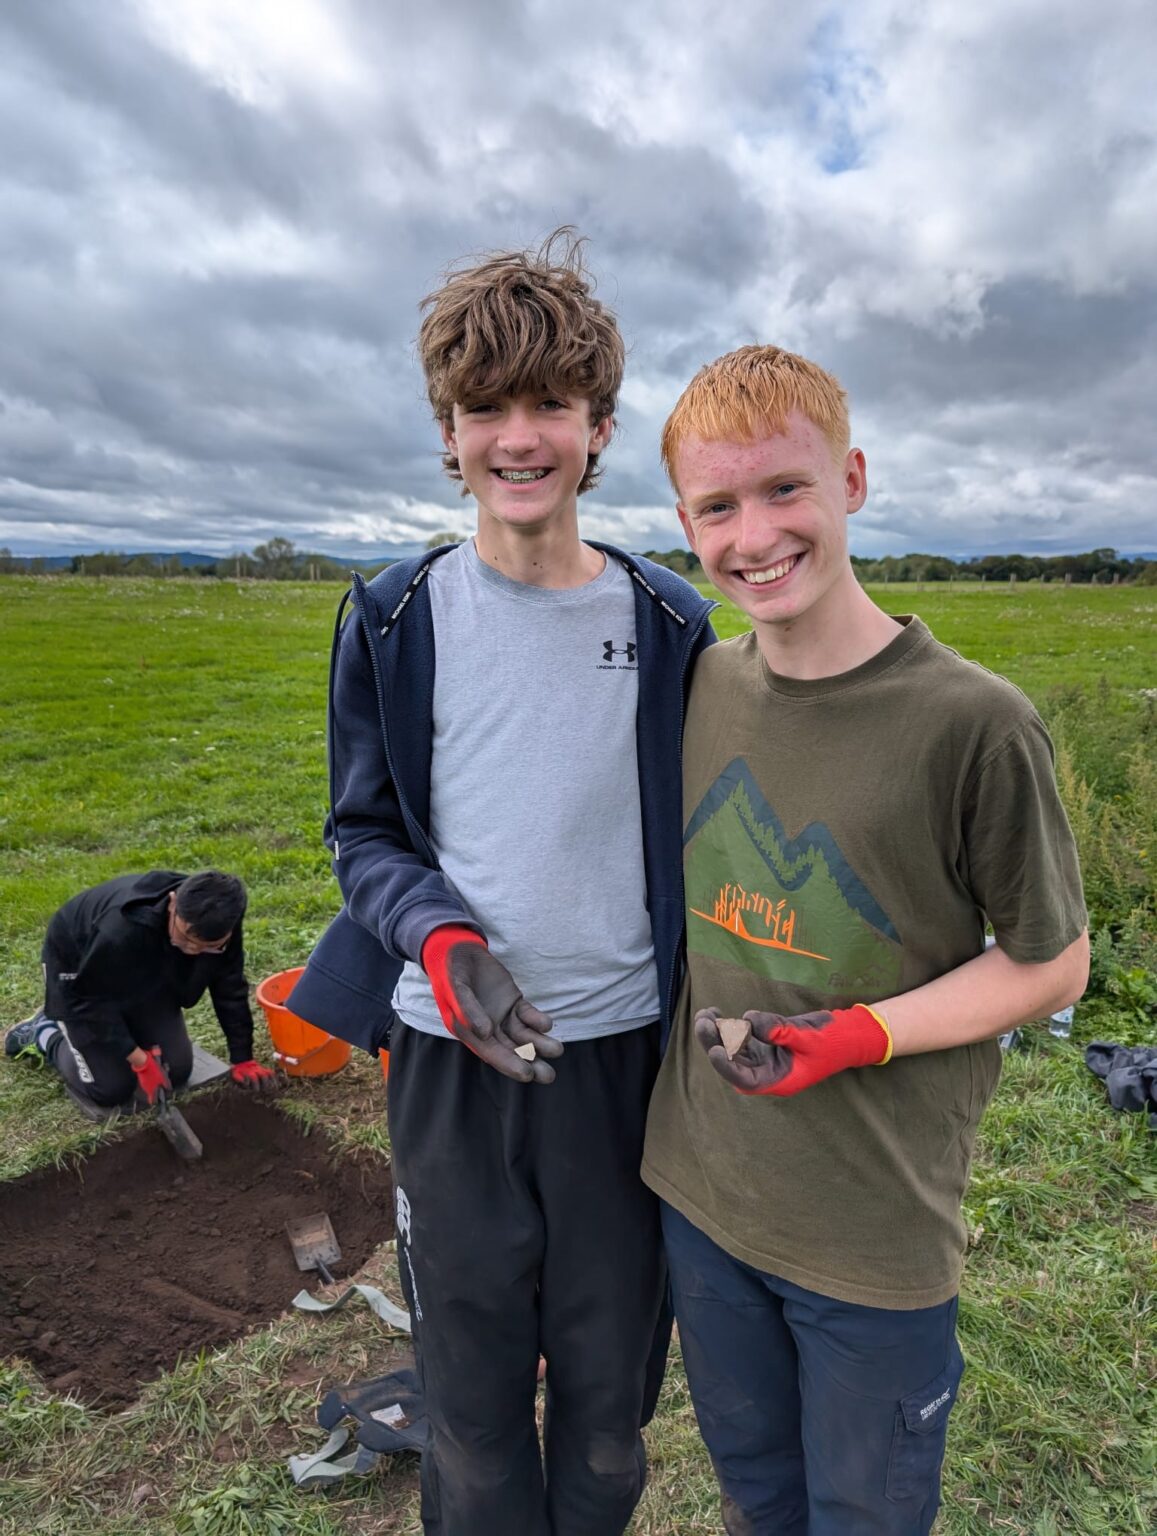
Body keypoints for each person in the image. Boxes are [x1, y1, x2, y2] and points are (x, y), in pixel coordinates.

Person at [292, 230, 715, 1535]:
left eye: (550, 405)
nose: (517, 438)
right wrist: (441, 940)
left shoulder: (671, 623)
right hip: (445, 1065)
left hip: (622, 1067)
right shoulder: (393, 618)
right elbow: (363, 835)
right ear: (448, 432)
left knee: (606, 1424)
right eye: (485, 409)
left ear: (598, 430)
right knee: (472, 1428)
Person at [640, 344, 1089, 1536]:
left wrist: (859, 1035)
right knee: (754, 1497)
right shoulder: (696, 689)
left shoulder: (973, 724)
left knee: (862, 1515)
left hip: (870, 1232)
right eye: (717, 507)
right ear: (684, 523)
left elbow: (1054, 960)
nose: (753, 536)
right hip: (703, 1194)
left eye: (784, 488)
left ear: (849, 480)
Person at [4, 869, 275, 1106]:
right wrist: (139, 1059)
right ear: (172, 903)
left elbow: (229, 986)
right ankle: (44, 1032)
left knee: (177, 1071)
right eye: (185, 937)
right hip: (80, 977)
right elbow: (88, 999)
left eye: (208, 947)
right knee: (111, 1088)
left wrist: (242, 1057)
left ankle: (127, 1026)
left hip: (143, 973)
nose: (193, 950)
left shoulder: (221, 922)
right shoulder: (120, 929)